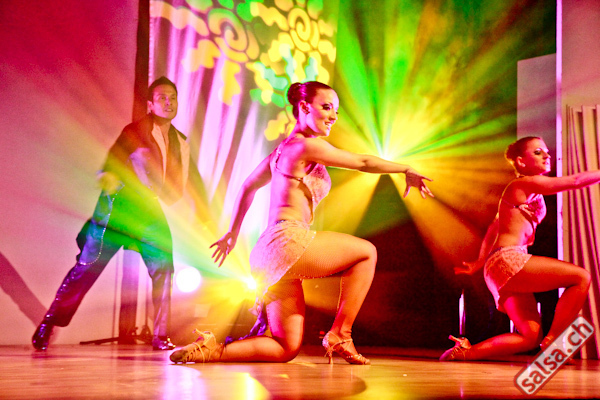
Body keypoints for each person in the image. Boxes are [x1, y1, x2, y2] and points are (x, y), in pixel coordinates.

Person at [169, 81, 433, 364]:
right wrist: (405, 168)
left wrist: (233, 233)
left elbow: (247, 186)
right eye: (326, 107)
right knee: (367, 252)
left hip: (268, 251)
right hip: (287, 241)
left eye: (336, 111)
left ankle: (210, 350)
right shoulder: (307, 146)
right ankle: (341, 333)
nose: (333, 116)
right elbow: (363, 163)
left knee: (286, 347)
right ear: (305, 107)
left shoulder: (281, 151)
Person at [32, 77, 206, 351]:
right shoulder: (134, 131)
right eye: (162, 98)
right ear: (150, 104)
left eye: (172, 97)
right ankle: (48, 323)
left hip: (147, 209)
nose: (168, 102)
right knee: (86, 268)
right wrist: (109, 177)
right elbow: (113, 160)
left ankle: (161, 335)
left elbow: (188, 180)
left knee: (164, 266)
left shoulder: (178, 140)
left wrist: (203, 216)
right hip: (118, 208)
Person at [440, 136, 594, 361]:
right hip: (508, 260)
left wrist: (479, 262)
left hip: (498, 265)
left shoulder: (524, 191)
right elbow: (576, 180)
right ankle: (553, 341)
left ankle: (465, 352)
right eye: (538, 152)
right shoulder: (523, 184)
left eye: (546, 151)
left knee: (529, 336)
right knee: (581, 277)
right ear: (521, 161)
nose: (547, 155)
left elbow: (493, 229)